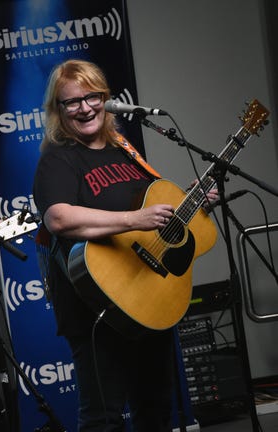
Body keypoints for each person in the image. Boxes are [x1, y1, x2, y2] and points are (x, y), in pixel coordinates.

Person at [33, 59, 218, 431]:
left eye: (93, 97)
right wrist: (132, 220)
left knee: (156, 411)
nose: (85, 108)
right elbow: (58, 219)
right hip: (95, 309)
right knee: (104, 419)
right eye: (72, 102)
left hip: (147, 297)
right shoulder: (58, 158)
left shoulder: (124, 151)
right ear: (59, 111)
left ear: (107, 100)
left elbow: (150, 220)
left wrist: (195, 203)